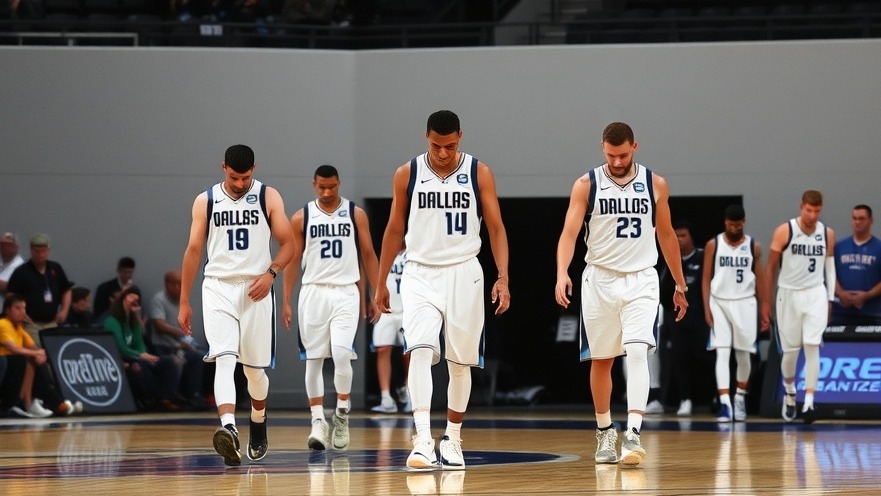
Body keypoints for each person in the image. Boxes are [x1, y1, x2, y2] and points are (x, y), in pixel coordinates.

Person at [374, 110, 511, 471]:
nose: (443, 152)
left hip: (465, 270)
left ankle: (453, 437)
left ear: (460, 138)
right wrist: (381, 281)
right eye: (437, 145)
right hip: (420, 272)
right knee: (419, 349)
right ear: (427, 137)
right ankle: (422, 438)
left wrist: (503, 276)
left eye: (450, 145)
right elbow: (393, 229)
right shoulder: (407, 173)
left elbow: (496, 227)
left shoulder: (479, 172)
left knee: (460, 362)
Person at [555, 122, 687, 467]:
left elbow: (667, 235)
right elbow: (569, 233)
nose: (617, 161)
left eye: (623, 155)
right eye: (611, 155)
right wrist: (561, 272)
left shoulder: (655, 184)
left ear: (635, 147)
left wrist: (680, 283)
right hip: (600, 278)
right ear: (602, 148)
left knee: (638, 351)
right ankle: (604, 431)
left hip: (642, 279)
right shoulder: (586, 185)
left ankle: (633, 433)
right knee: (602, 361)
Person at [179, 144, 294, 466]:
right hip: (218, 286)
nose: (240, 183)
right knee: (224, 358)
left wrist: (271, 273)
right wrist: (184, 300)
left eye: (245, 177)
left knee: (254, 371)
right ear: (223, 168)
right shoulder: (206, 200)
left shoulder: (268, 196)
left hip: (256, 287)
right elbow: (193, 250)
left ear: (253, 169)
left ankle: (258, 419)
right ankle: (228, 428)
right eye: (234, 177)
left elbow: (289, 244)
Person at [282, 164, 381, 452]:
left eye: (332, 187)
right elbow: (292, 260)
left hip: (346, 291)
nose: (327, 192)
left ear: (339, 184)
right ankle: (317, 421)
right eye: (322, 187)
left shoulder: (355, 214)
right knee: (313, 360)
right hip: (313, 291)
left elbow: (368, 254)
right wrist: (286, 299)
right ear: (314, 184)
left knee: (341, 353)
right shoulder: (301, 217)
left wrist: (376, 293)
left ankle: (341, 414)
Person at [767, 190, 836, 423]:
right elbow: (771, 267)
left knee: (812, 345)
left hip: (815, 293)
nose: (813, 215)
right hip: (788, 294)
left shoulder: (827, 233)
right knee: (790, 352)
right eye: (809, 210)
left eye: (817, 211)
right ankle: (790, 392)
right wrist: (767, 301)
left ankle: (809, 402)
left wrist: (830, 298)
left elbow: (830, 268)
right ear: (801, 207)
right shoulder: (785, 230)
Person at [702, 205, 770, 422]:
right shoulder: (713, 244)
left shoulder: (753, 246)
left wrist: (765, 307)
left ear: (744, 223)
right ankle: (724, 403)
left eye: (738, 225)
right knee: (722, 352)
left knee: (743, 354)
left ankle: (740, 398)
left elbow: (761, 279)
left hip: (745, 303)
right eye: (731, 225)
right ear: (726, 222)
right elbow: (706, 278)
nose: (734, 228)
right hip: (719, 302)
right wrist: (706, 307)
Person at [660, 221, 713, 417]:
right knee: (679, 359)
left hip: (701, 318)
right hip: (677, 320)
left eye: (683, 235)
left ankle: (712, 398)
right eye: (676, 236)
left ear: (691, 237)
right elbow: (664, 290)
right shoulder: (670, 259)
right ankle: (685, 399)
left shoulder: (703, 256)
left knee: (708, 358)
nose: (680, 240)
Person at [104, 285, 182, 412]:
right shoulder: (112, 321)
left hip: (137, 356)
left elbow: (139, 344)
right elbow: (121, 347)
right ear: (122, 299)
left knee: (169, 362)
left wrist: (136, 317)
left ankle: (164, 398)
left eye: (136, 300)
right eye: (130, 297)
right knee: (140, 366)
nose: (133, 301)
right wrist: (141, 355)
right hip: (122, 357)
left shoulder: (133, 322)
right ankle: (147, 399)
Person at [0, 294, 81, 417]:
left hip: (16, 362)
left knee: (36, 361)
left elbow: (34, 347)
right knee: (27, 360)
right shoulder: (3, 323)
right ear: (7, 310)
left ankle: (42, 403)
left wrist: (40, 354)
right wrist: (37, 353)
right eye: (17, 308)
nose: (22, 312)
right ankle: (30, 403)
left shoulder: (18, 327)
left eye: (24, 308)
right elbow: (13, 348)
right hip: (7, 362)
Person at [149, 269, 206, 410]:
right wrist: (180, 333)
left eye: (181, 284)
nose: (179, 287)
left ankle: (193, 395)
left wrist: (186, 340)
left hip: (180, 346)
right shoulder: (158, 300)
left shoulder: (183, 301)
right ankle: (169, 397)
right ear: (167, 284)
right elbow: (159, 325)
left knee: (199, 357)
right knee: (174, 361)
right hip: (163, 347)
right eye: (175, 284)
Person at [7, 234, 74, 343]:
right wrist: (19, 314)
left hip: (52, 322)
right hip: (31, 323)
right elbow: (11, 296)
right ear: (31, 251)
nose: (41, 254)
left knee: (52, 350)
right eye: (37, 251)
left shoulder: (55, 268)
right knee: (35, 351)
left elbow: (66, 290)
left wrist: (64, 310)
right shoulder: (21, 271)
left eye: (44, 251)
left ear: (48, 251)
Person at [370, 246, 411, 414]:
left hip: (408, 308)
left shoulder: (415, 250)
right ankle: (386, 398)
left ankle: (410, 393)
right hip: (386, 308)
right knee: (382, 348)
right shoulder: (385, 252)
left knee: (409, 352)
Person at [832, 204, 881, 325]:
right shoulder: (839, 246)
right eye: (854, 218)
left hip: (872, 312)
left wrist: (868, 295)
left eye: (861, 219)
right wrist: (840, 292)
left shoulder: (879, 247)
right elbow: (830, 273)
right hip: (841, 312)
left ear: (870, 221)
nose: (857, 222)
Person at [0, 232, 25, 311]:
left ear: (16, 247)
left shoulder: (21, 266)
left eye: (9, 245)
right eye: (2, 244)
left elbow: (13, 287)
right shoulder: (1, 263)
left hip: (8, 312)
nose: (4, 248)